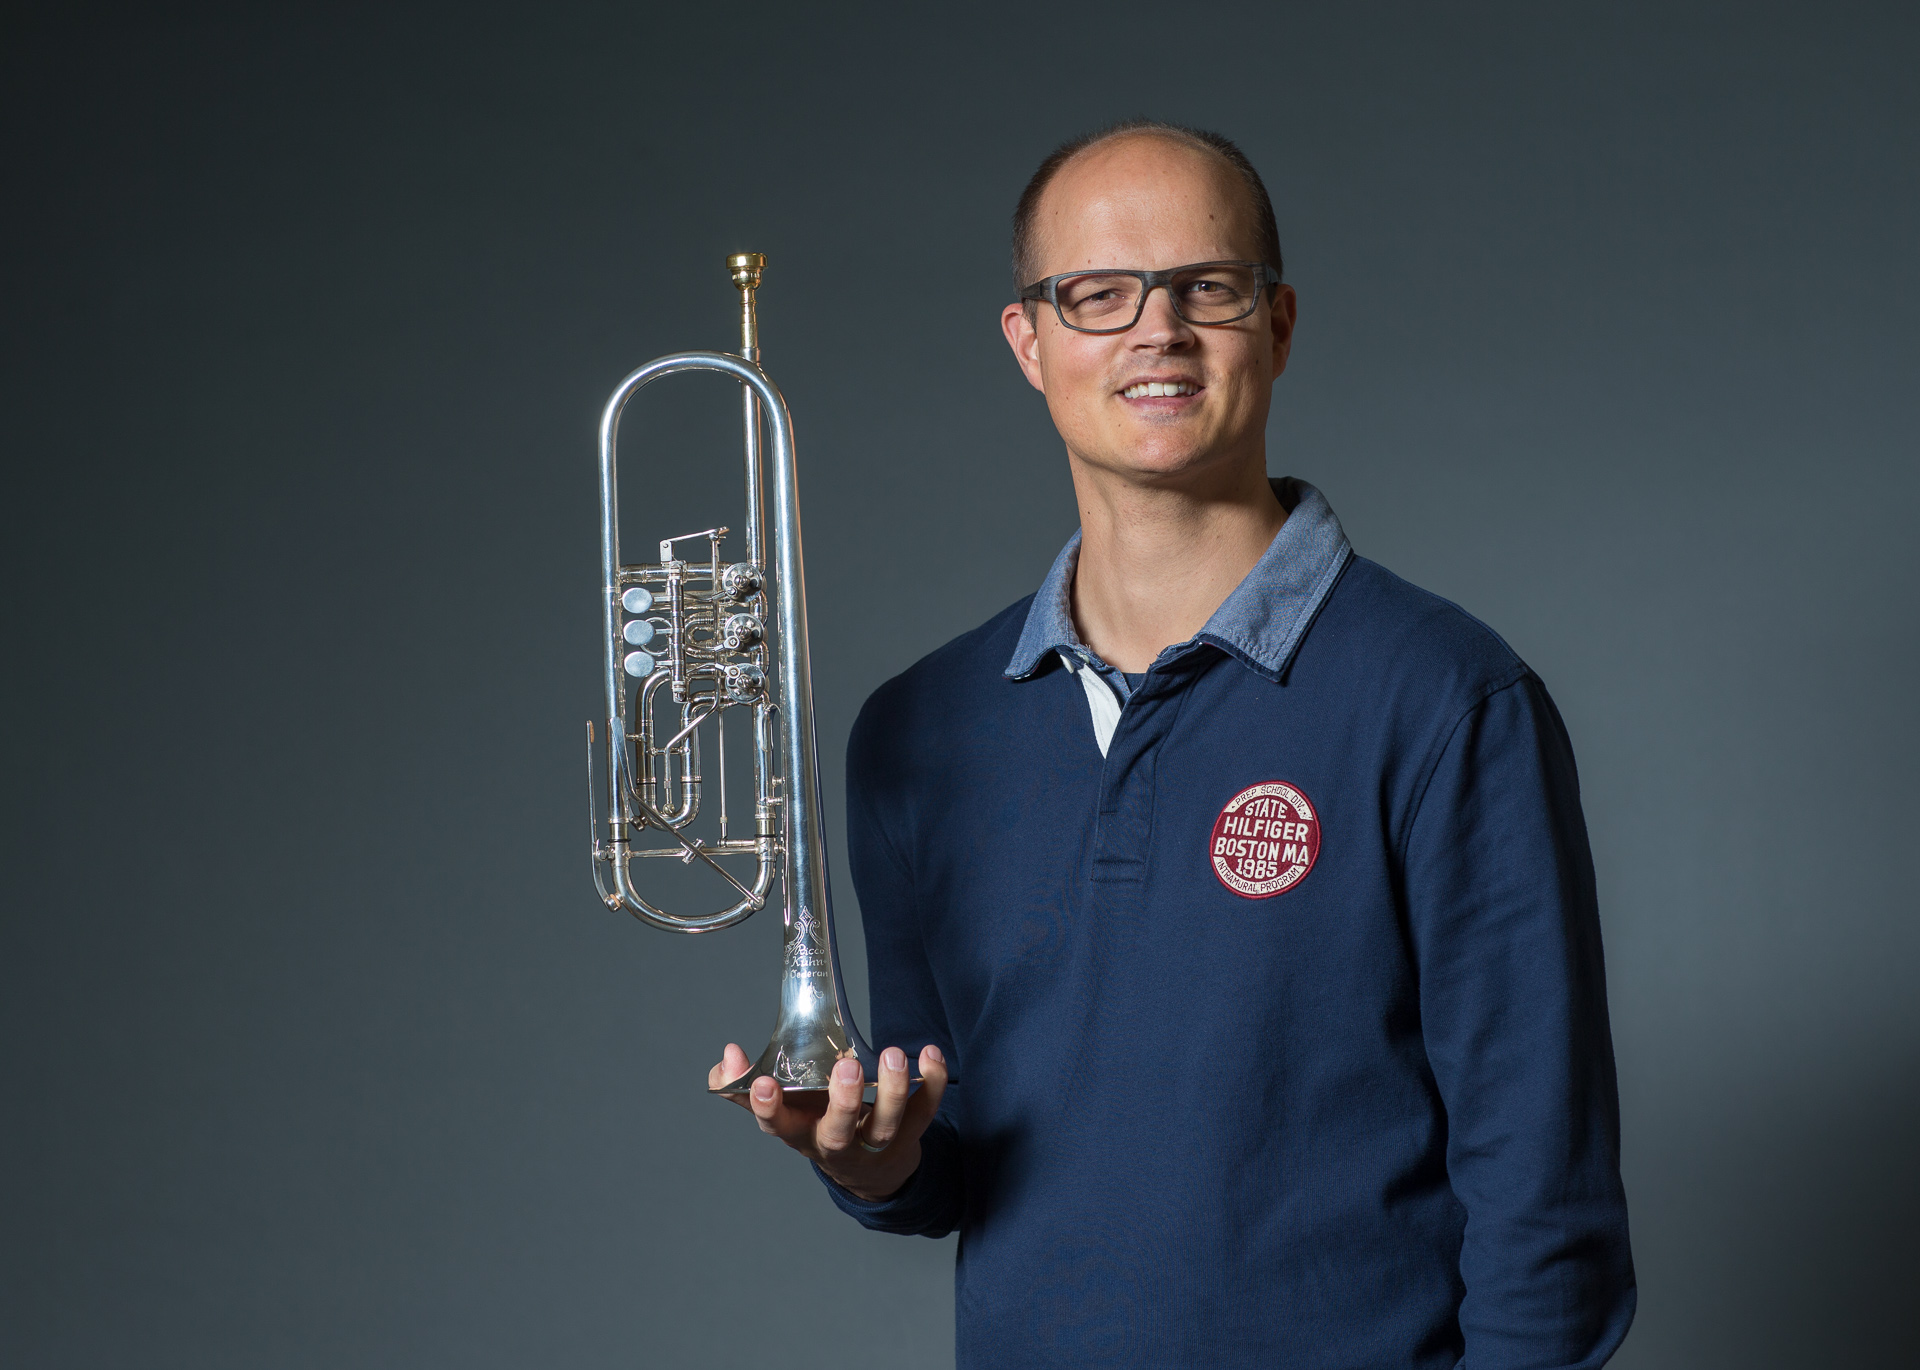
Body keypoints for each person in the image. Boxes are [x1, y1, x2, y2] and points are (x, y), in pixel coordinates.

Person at [709, 119, 1635, 1369]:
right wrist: (877, 1159)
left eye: (1209, 286)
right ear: (1028, 343)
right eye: (1097, 294)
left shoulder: (1446, 698)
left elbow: (1546, 1221)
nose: (1159, 330)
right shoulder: (915, 730)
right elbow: (956, 1160)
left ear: (1281, 324)